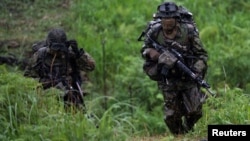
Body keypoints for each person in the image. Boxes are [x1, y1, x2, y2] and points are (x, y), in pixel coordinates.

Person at [139, 2, 208, 134]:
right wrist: (155, 55)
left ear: (176, 19)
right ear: (160, 19)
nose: (167, 22)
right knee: (171, 116)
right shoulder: (155, 32)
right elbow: (144, 49)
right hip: (168, 79)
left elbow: (202, 55)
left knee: (195, 111)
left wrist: (196, 70)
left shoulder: (188, 31)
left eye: (170, 19)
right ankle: (179, 136)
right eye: (164, 19)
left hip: (187, 75)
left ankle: (189, 130)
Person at [24, 28, 95, 110]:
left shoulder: (69, 54)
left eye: (60, 49)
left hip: (68, 94)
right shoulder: (40, 55)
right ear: (49, 45)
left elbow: (90, 67)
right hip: (46, 95)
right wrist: (41, 86)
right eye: (55, 49)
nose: (57, 52)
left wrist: (79, 54)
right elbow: (27, 78)